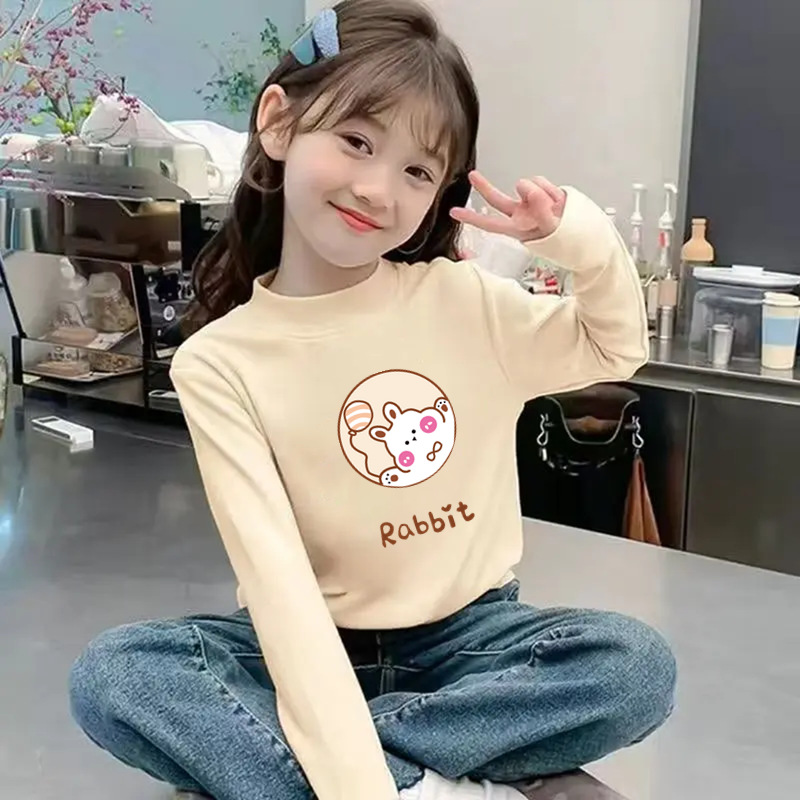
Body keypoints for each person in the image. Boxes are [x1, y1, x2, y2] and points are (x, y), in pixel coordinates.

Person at [68, 2, 676, 800]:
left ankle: (332, 761)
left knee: (633, 666)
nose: (378, 189)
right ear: (279, 123)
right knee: (117, 676)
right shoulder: (222, 362)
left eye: (418, 171)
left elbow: (613, 347)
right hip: (304, 642)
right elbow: (279, 590)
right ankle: (426, 780)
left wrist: (579, 241)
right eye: (357, 141)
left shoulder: (462, 301)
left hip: (471, 645)